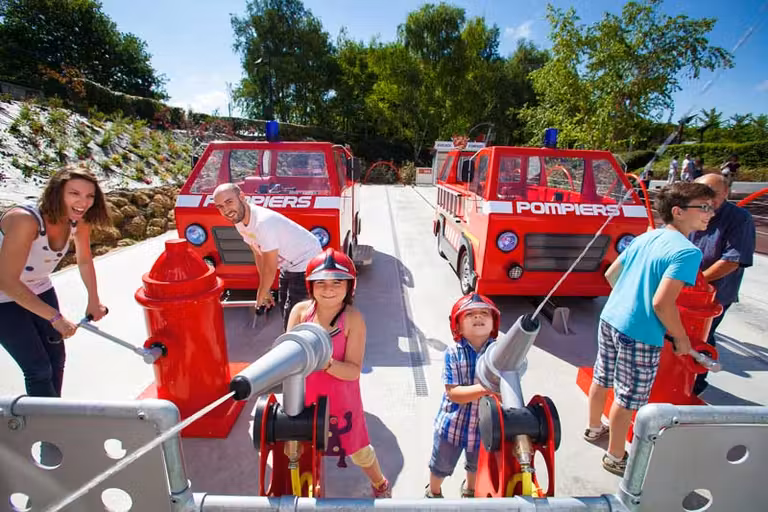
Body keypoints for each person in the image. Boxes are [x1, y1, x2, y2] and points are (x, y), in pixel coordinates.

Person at [584, 182, 715, 476]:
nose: (710, 214)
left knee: (602, 376)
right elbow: (662, 304)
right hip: (640, 333)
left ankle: (593, 428)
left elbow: (611, 274)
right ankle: (615, 456)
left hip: (611, 318)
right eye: (704, 207)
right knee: (628, 397)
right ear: (678, 212)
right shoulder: (688, 252)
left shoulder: (646, 236)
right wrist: (681, 338)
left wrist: (629, 301)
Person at [286, 248, 392, 498]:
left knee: (359, 451)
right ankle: (300, 486)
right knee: (293, 446)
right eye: (320, 283)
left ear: (349, 286)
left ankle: (380, 484)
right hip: (304, 398)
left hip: (342, 401)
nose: (328, 289)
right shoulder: (300, 312)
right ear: (310, 286)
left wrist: (325, 362)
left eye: (337, 282)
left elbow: (353, 371)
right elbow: (288, 355)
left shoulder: (353, 319)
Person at [0, 166, 110, 397]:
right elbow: (7, 282)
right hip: (3, 295)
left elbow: (84, 260)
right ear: (56, 192)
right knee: (38, 368)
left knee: (56, 360)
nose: (83, 202)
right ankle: (43, 419)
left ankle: (52, 412)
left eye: (90, 196)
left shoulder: (78, 221)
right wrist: (55, 317)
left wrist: (94, 300)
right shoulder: (25, 220)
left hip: (39, 286)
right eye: (74, 193)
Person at [212, 183, 321, 330]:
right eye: (220, 207)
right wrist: (265, 289)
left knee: (296, 314)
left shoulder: (263, 222)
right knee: (285, 308)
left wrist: (261, 294)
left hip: (307, 260)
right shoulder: (239, 221)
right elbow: (258, 253)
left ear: (242, 197)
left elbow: (270, 268)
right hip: (289, 263)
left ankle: (303, 339)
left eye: (229, 202)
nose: (226, 210)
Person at [425, 293, 500, 499]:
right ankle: (434, 492)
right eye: (470, 314)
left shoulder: (499, 354)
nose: (478, 316)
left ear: (494, 323)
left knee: (476, 466)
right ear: (457, 326)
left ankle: (470, 490)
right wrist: (487, 387)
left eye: (484, 313)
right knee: (440, 465)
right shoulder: (453, 353)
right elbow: (454, 394)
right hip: (452, 426)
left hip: (484, 428)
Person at [689, 173, 755, 395]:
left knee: (701, 337)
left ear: (726, 193)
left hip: (713, 294)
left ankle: (695, 384)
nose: (706, 199)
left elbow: (732, 260)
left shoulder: (739, 219)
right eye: (701, 193)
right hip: (683, 289)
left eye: (713, 193)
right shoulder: (692, 210)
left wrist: (697, 282)